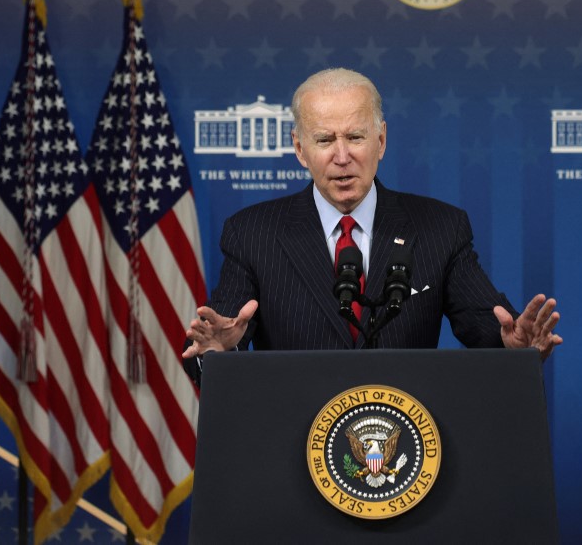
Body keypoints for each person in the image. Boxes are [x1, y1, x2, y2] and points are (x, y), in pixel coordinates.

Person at [182, 68, 562, 376]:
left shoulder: (440, 228)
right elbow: (219, 336)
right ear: (300, 148)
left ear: (380, 140)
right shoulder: (252, 233)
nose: (342, 156)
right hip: (298, 444)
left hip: (409, 445)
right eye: (325, 139)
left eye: (356, 136)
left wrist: (514, 346)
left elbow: (489, 327)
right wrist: (215, 353)